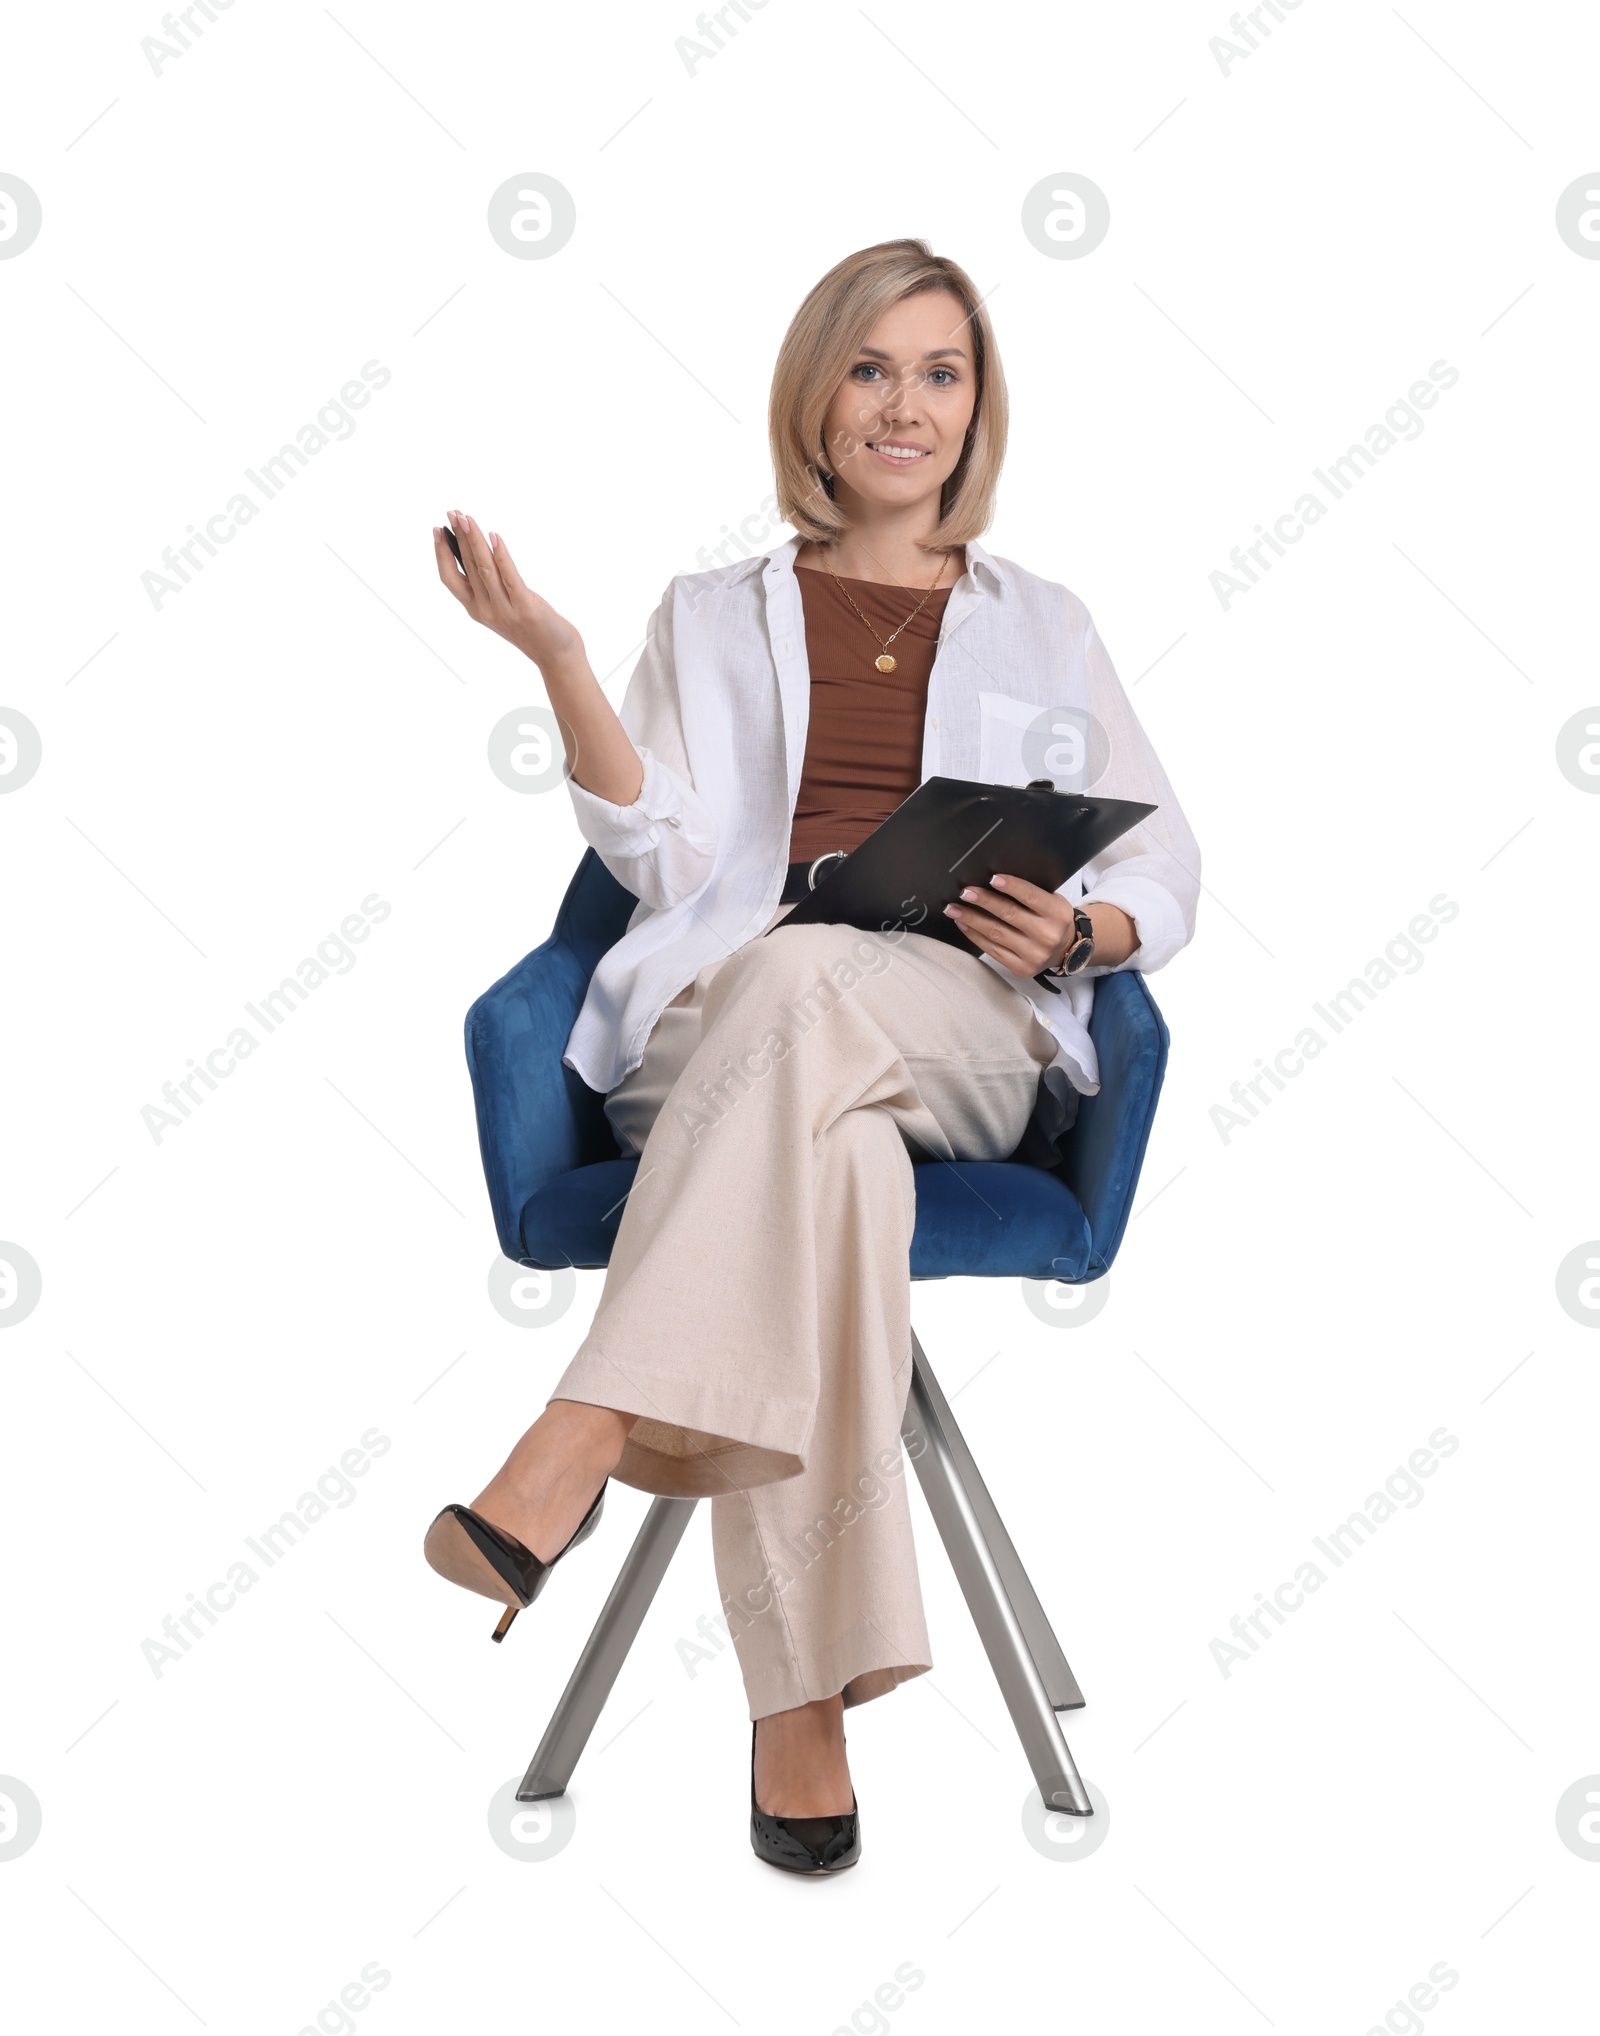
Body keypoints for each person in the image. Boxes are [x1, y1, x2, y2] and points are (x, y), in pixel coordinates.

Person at [423, 238, 1199, 1875]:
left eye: (941, 372)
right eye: (871, 369)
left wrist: (1075, 941)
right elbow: (654, 852)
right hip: (737, 1030)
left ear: (976, 407)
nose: (905, 406)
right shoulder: (710, 615)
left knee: (818, 985)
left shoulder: (1047, 626)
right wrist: (560, 659)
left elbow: (1163, 870)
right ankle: (804, 1706)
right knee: (816, 1113)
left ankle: (586, 1431)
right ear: (816, 398)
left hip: (965, 1033)